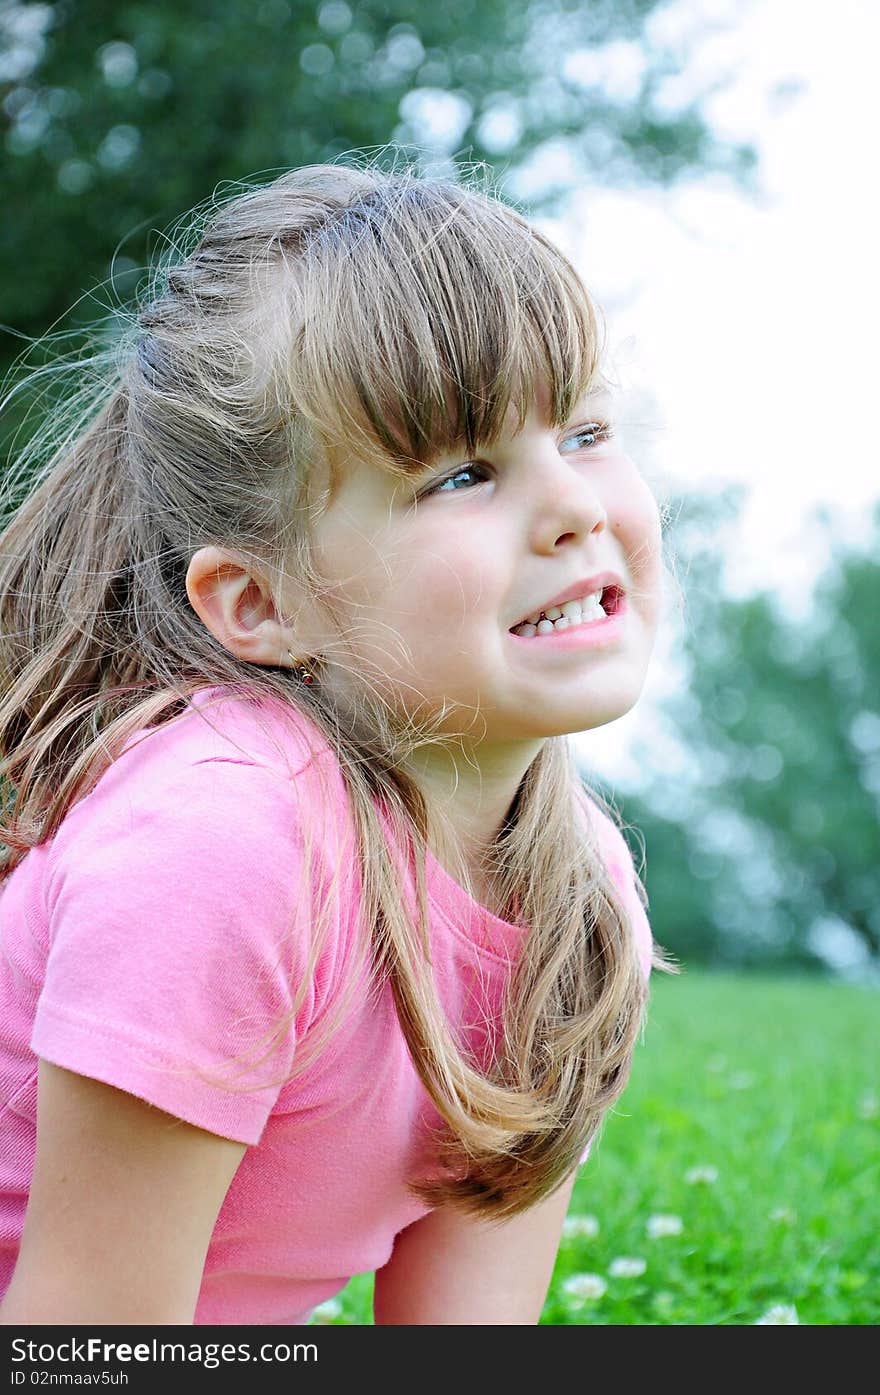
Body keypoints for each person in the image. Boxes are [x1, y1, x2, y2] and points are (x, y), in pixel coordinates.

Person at [0, 155, 677, 1326]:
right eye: (462, 472)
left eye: (583, 429)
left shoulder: (577, 896)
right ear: (262, 605)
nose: (572, 505)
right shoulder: (224, 846)